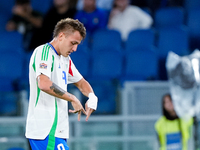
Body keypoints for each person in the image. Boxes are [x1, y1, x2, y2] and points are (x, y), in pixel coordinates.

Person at [25, 18, 98, 149]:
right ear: (61, 36)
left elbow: (81, 83)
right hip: (45, 130)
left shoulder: (66, 60)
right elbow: (44, 84)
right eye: (73, 43)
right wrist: (72, 98)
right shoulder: (44, 52)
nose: (75, 48)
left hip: (57, 131)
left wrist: (92, 97)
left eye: (77, 44)